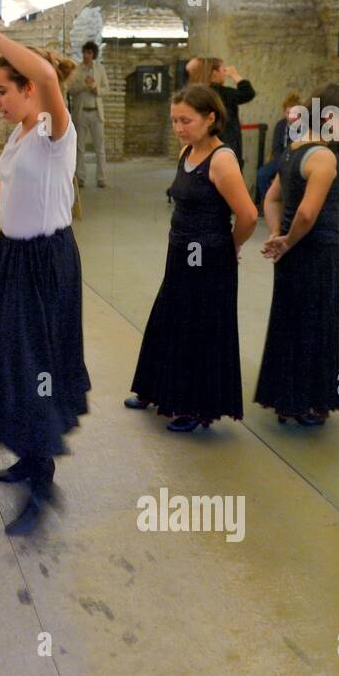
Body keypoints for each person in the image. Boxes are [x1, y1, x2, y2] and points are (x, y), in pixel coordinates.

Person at [0, 20, 91, 535]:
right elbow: (2, 189)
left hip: (47, 264)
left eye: (1, 91)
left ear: (28, 87)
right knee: (10, 358)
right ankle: (30, 459)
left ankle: (42, 482)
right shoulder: (17, 134)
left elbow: (51, 82)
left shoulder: (57, 131)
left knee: (38, 366)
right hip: (13, 257)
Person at [125, 84, 257, 431]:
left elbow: (248, 215)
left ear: (210, 118)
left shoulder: (223, 159)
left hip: (209, 256)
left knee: (198, 328)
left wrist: (231, 247)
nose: (179, 128)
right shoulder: (187, 151)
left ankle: (194, 407)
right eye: (174, 121)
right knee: (168, 318)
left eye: (186, 120)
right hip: (180, 250)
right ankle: (155, 389)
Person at [254, 84, 339, 426]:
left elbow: (272, 199)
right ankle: (308, 401)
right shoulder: (323, 156)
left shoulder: (293, 149)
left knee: (290, 321)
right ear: (330, 116)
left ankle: (287, 399)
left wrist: (278, 236)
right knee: (315, 323)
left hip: (293, 251)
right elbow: (308, 214)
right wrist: (289, 240)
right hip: (315, 250)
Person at [188, 57, 255, 170]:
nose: (225, 73)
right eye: (223, 70)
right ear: (214, 73)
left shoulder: (199, 93)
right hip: (227, 144)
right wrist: (235, 75)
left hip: (205, 144)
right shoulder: (224, 93)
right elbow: (248, 93)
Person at [66, 39, 108, 188]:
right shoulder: (77, 70)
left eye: (89, 52)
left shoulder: (100, 69)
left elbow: (106, 89)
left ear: (93, 54)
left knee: (99, 147)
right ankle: (81, 178)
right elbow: (70, 90)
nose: (86, 55)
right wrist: (84, 85)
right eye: (84, 52)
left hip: (96, 112)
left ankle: (101, 178)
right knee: (80, 147)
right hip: (81, 112)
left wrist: (96, 88)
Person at [255, 92, 304, 205]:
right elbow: (276, 147)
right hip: (281, 159)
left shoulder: (304, 127)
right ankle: (269, 202)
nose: (291, 116)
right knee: (262, 174)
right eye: (288, 113)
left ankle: (289, 205)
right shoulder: (281, 125)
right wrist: (280, 163)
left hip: (296, 161)